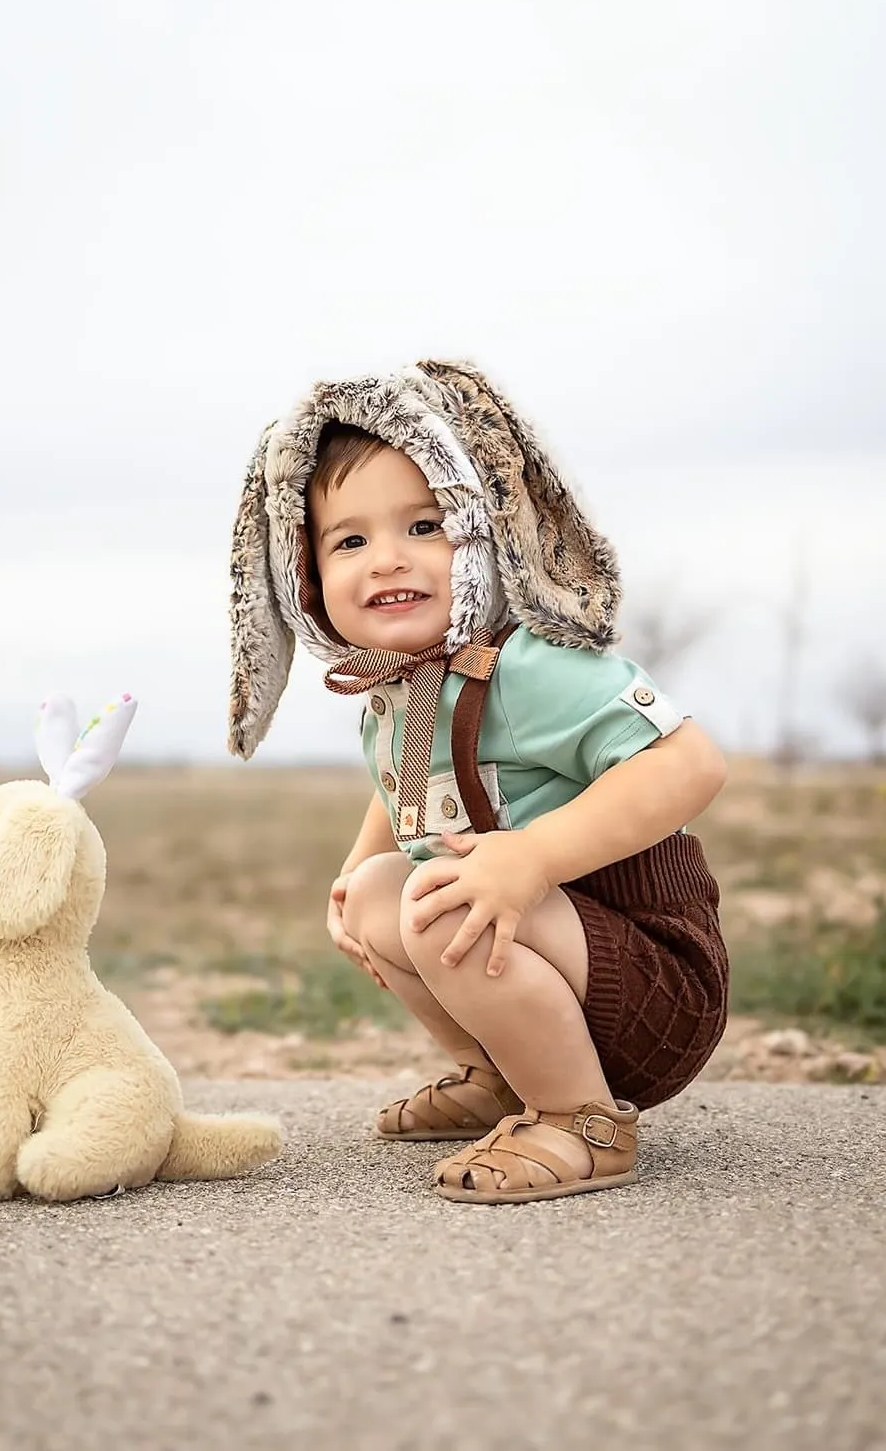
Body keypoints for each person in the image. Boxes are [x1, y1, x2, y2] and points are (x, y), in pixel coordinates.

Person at [227, 358, 729, 1204]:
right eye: (350, 540)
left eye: (425, 526)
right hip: (558, 966)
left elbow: (690, 763)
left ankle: (583, 1122)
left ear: (486, 531)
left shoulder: (530, 663)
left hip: (652, 980)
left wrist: (527, 859)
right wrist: (352, 876)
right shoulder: (399, 689)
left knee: (448, 898)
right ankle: (506, 1075)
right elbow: (406, 795)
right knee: (384, 893)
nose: (387, 559)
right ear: (305, 575)